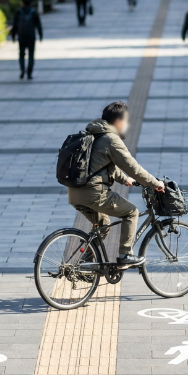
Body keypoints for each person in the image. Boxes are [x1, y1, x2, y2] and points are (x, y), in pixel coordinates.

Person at [67, 102, 166, 266]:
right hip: (94, 193)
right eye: (126, 121)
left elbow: (101, 165)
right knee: (132, 212)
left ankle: (85, 263)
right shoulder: (111, 139)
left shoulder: (96, 134)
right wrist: (155, 183)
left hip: (75, 193)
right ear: (118, 121)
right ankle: (125, 255)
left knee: (104, 224)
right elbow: (133, 167)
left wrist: (125, 179)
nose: (127, 125)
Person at [11, 0, 43, 80]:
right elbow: (38, 25)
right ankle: (29, 72)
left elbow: (14, 25)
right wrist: (40, 35)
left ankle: (22, 69)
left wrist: (13, 36)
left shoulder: (19, 12)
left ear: (22, 2)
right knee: (31, 55)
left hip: (21, 36)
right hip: (31, 36)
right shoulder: (33, 12)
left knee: (21, 54)